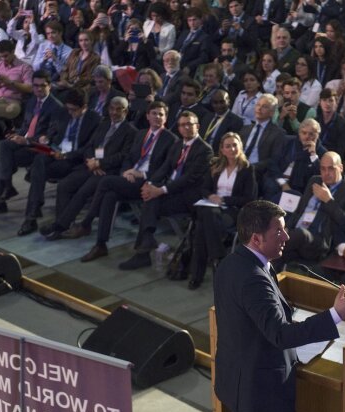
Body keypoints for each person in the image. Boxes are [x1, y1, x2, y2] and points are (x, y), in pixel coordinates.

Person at [214, 199, 345, 412]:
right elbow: (281, 335)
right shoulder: (254, 278)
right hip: (261, 397)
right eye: (279, 231)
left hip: (238, 384)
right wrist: (336, 314)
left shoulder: (231, 263)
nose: (286, 236)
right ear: (257, 238)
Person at [73, 101, 178, 262]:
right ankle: (101, 244)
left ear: (166, 118)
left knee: (106, 182)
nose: (157, 117)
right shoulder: (141, 133)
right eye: (154, 113)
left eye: (161, 114)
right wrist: (126, 172)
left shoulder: (171, 139)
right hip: (129, 178)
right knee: (109, 195)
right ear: (147, 116)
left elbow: (164, 169)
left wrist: (139, 174)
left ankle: (86, 223)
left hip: (147, 182)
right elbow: (129, 157)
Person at [118, 111, 213, 270]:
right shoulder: (177, 145)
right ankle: (145, 246)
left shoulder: (204, 150)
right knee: (150, 197)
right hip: (171, 191)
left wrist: (160, 190)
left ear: (197, 126)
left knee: (152, 200)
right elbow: (164, 168)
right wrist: (149, 184)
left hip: (189, 196)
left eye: (189, 124)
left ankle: (143, 251)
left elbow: (188, 179)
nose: (186, 128)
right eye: (182, 125)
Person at [39, 97, 137, 240]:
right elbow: (89, 146)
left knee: (84, 191)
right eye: (112, 108)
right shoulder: (103, 124)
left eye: (118, 109)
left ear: (126, 111)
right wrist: (92, 161)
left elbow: (124, 155)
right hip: (91, 166)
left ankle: (60, 226)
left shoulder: (130, 131)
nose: (114, 112)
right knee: (65, 185)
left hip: (107, 171)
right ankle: (63, 223)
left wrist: (100, 163)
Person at [17, 89, 102, 236]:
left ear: (85, 107)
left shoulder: (94, 119)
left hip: (74, 159)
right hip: (56, 152)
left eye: (74, 110)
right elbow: (55, 133)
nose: (70, 113)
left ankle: (34, 215)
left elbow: (90, 148)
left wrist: (67, 156)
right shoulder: (64, 113)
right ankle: (31, 215)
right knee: (39, 160)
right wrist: (46, 139)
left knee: (38, 170)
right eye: (68, 109)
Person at [0, 70, 62, 217]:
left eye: (43, 86)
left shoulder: (56, 107)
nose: (39, 89)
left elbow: (50, 137)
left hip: (40, 148)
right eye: (35, 86)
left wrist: (27, 140)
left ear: (50, 86)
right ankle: (6, 187)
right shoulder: (31, 102)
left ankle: (1, 199)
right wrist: (17, 135)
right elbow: (26, 126)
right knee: (4, 145)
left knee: (0, 159)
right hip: (25, 142)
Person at [189, 132, 257, 289]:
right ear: (222, 149)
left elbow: (249, 198)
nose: (232, 149)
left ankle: (197, 275)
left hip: (232, 212)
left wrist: (224, 200)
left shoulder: (247, 169)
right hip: (212, 208)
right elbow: (204, 188)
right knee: (205, 220)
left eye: (235, 145)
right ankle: (217, 257)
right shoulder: (215, 166)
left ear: (240, 147)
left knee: (201, 226)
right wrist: (211, 195)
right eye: (228, 146)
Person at [277, 151, 345, 270]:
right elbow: (299, 210)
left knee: (295, 236)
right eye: (323, 169)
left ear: (341, 168)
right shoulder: (315, 180)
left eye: (331, 169)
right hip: (296, 236)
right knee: (276, 250)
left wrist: (328, 200)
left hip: (319, 242)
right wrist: (286, 228)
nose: (326, 173)